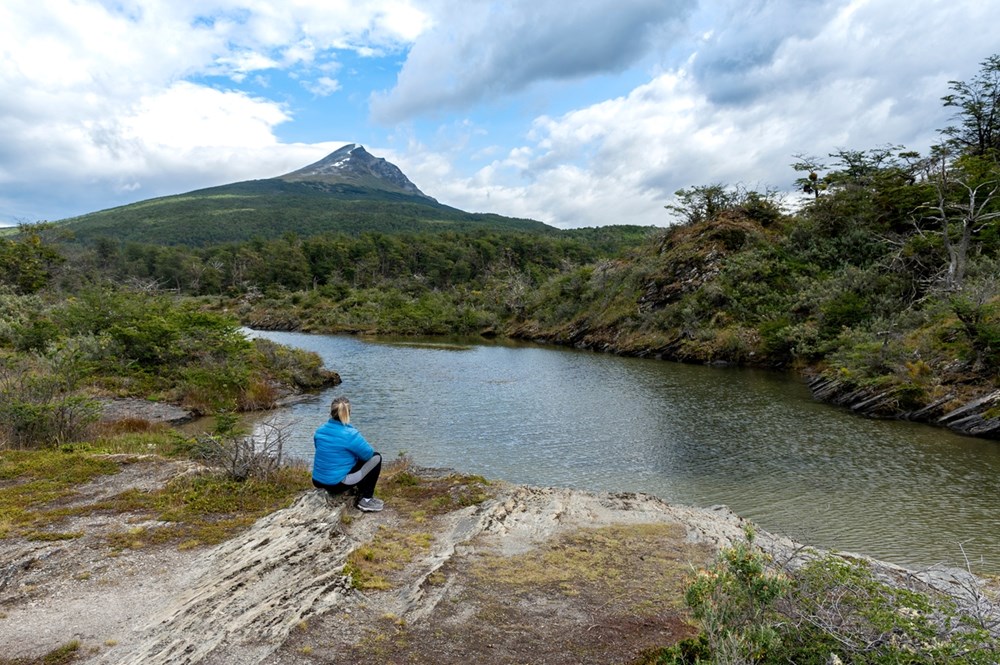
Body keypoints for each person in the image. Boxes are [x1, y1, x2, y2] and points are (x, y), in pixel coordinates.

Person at [312, 396, 384, 512]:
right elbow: (368, 455)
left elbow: (323, 451)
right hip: (336, 484)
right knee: (376, 458)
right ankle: (366, 500)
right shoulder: (350, 434)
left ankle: (360, 491)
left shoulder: (320, 431)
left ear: (331, 412)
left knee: (348, 459)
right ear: (348, 413)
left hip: (317, 481)